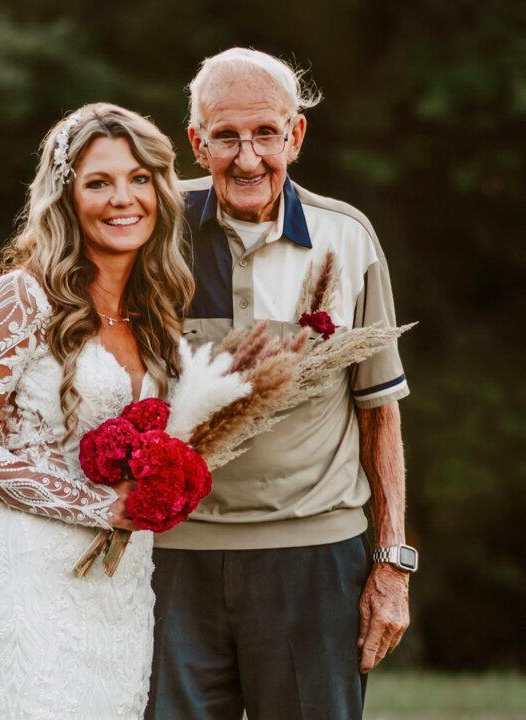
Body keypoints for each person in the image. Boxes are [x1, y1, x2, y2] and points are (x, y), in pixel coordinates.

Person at [144, 48, 414, 720]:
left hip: (314, 562)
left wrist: (392, 564)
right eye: (226, 136)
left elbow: (379, 412)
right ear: (196, 142)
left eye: (266, 133)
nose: (248, 158)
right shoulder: (149, 231)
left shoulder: (347, 237)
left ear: (296, 135)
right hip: (172, 561)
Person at [0, 103, 194, 718]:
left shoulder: (156, 315)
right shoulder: (24, 296)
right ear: (66, 197)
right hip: (27, 580)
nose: (123, 198)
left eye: (139, 178)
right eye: (98, 182)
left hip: (120, 589)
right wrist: (97, 506)